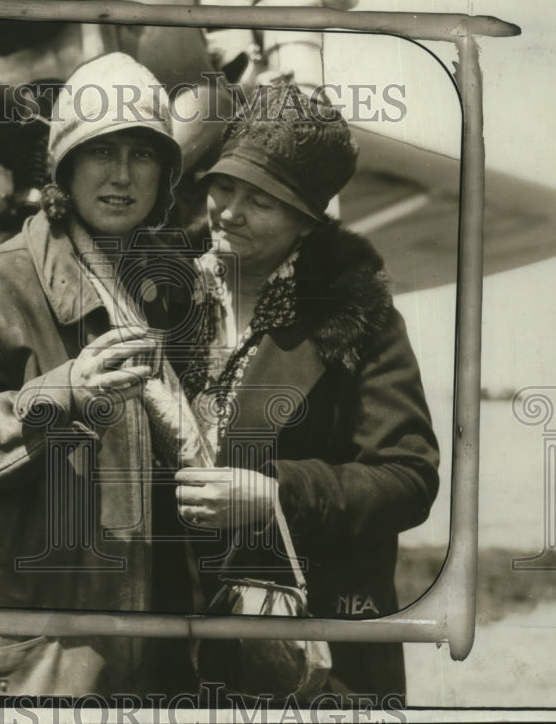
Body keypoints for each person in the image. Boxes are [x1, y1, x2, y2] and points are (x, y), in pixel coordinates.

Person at [0, 52, 195, 697]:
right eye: (99, 153)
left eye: (142, 154)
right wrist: (61, 396)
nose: (120, 177)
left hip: (129, 650)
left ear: (166, 173)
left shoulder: (164, 289)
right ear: (64, 167)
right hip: (21, 659)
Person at [175, 79, 440, 704]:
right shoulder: (164, 292)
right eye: (223, 185)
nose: (230, 211)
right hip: (173, 644)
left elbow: (409, 477)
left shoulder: (357, 316)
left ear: (305, 222)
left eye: (261, 200)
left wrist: (277, 494)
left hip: (312, 653)